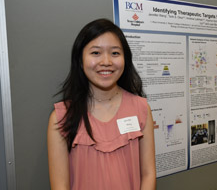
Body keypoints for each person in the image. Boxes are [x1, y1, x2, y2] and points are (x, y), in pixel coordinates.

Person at [47, 19, 156, 190]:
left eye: (115, 53)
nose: (106, 61)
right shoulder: (61, 117)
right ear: (80, 60)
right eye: (96, 53)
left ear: (125, 59)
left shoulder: (141, 109)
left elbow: (148, 174)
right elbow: (60, 186)